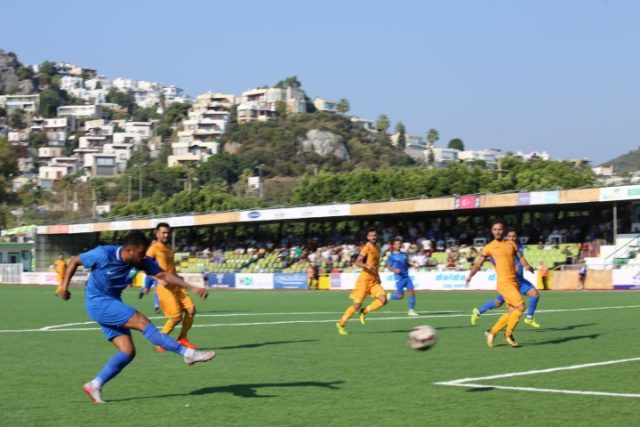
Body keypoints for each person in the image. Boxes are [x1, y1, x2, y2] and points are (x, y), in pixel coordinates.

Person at [57, 230, 215, 404]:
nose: (143, 257)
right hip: (98, 302)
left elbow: (163, 275)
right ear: (129, 250)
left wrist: (192, 287)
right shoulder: (103, 254)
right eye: (141, 253)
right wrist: (64, 287)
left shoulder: (140, 261)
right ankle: (188, 353)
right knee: (143, 322)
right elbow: (75, 260)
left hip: (112, 302)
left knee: (128, 352)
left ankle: (95, 385)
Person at [466, 221, 533, 348]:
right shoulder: (489, 247)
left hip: (514, 282)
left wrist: (527, 265)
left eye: (500, 229)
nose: (497, 231)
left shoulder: (511, 244)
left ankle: (492, 332)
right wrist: (470, 276)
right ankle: (508, 334)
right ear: (492, 231)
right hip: (504, 283)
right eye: (495, 229)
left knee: (512, 312)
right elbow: (478, 264)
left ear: (503, 230)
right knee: (521, 307)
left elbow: (520, 257)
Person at [470, 228, 541, 328]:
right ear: (506, 237)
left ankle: (529, 318)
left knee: (535, 294)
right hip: (508, 282)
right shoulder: (502, 247)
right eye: (510, 236)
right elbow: (491, 258)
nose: (512, 238)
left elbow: (521, 259)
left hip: (520, 281)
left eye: (514, 236)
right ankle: (479, 312)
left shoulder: (518, 247)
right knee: (498, 303)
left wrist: (527, 266)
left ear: (517, 237)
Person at [146, 223, 198, 352]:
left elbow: (170, 267)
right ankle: (160, 342)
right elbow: (144, 267)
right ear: (157, 234)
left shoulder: (169, 248)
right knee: (176, 318)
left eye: (167, 233)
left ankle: (182, 338)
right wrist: (157, 279)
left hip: (176, 285)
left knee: (191, 310)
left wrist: (177, 277)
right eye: (163, 233)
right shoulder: (153, 248)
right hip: (165, 288)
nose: (166, 235)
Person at [336, 228, 388, 335]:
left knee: (383, 300)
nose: (373, 237)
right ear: (367, 237)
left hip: (374, 281)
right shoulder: (366, 248)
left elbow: (376, 265)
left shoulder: (378, 248)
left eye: (375, 235)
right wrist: (367, 266)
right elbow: (357, 262)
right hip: (363, 281)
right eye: (371, 235)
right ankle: (341, 324)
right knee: (356, 305)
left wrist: (377, 276)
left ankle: (364, 311)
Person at [386, 239, 418, 316]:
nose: (398, 245)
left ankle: (411, 310)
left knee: (412, 292)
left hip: (406, 276)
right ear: (394, 246)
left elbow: (406, 263)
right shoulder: (391, 256)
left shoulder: (404, 254)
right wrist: (394, 270)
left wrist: (412, 265)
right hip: (399, 278)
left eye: (399, 244)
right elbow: (389, 267)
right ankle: (389, 296)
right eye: (396, 244)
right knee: (400, 296)